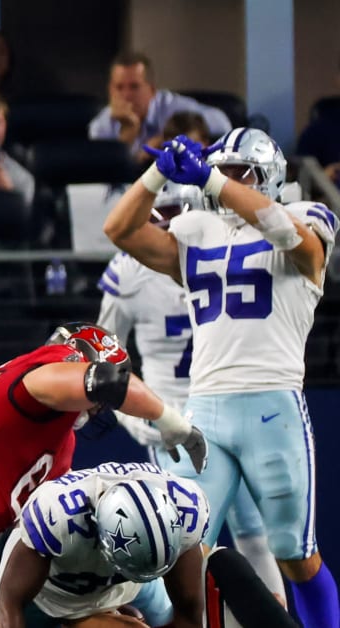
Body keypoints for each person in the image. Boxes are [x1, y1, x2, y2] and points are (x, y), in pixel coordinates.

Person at [103, 128, 339, 628]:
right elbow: (119, 230)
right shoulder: (195, 231)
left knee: (295, 555)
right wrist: (157, 172)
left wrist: (211, 175)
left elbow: (300, 246)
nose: (227, 182)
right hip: (205, 407)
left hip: (272, 406)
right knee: (182, 551)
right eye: (223, 170)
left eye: (240, 172)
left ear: (271, 175)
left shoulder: (308, 217)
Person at [0, 323, 207, 628]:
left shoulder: (62, 442)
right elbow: (108, 383)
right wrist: (172, 423)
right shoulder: (41, 373)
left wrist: (101, 608)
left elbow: (35, 534)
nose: (100, 411)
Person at [96, 182, 287, 604]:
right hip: (175, 422)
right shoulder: (132, 269)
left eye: (174, 209)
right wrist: (137, 417)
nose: (165, 221)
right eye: (157, 211)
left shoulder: (217, 249)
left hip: (225, 406)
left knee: (252, 539)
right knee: (181, 547)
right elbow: (106, 357)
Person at [0, 463, 208, 627]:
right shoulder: (57, 518)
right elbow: (10, 603)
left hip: (126, 583)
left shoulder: (185, 508)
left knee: (168, 614)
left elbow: (189, 610)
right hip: (52, 593)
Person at [88, 51, 232, 160]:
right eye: (119, 87)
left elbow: (222, 124)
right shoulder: (101, 125)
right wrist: (128, 132)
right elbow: (104, 174)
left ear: (152, 89)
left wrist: (165, 138)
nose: (126, 95)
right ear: (110, 90)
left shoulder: (172, 107)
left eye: (134, 87)